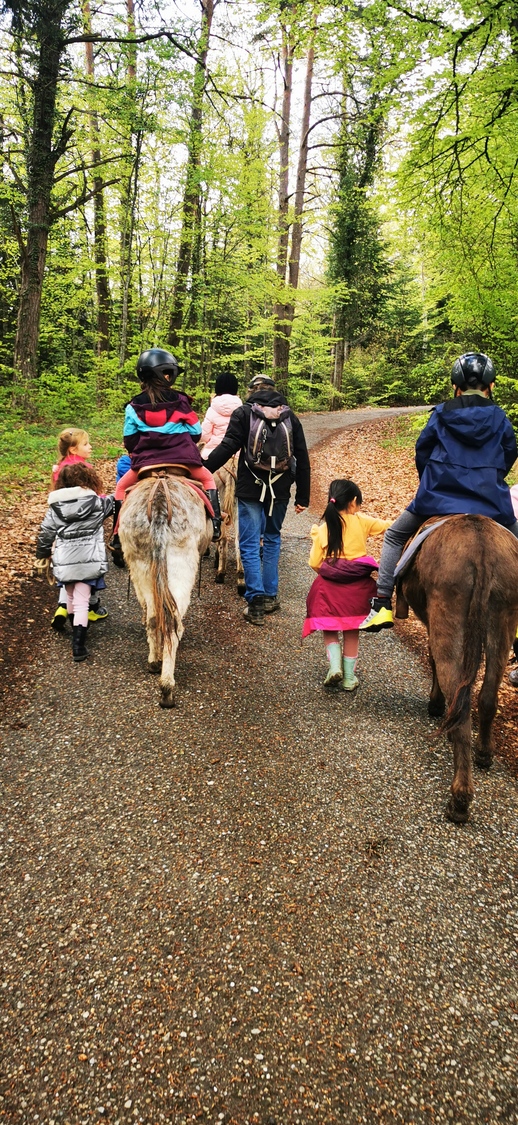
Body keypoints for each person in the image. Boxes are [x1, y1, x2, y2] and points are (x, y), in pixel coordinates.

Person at [359, 352, 518, 633]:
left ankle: (382, 602)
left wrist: (432, 482)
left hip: (438, 498)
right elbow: (509, 455)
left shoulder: (442, 413)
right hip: (491, 501)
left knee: (395, 535)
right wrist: (488, 479)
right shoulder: (500, 418)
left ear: (455, 386)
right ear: (490, 385)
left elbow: (423, 452)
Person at [204, 374, 311, 625]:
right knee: (272, 539)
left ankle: (255, 603)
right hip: (281, 488)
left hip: (251, 487)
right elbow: (302, 457)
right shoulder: (289, 416)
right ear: (274, 391)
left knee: (249, 544)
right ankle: (271, 595)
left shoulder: (244, 413)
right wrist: (303, 496)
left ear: (251, 392)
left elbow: (228, 446)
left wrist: (203, 468)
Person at [109, 348, 222, 564]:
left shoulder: (133, 406)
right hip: (182, 461)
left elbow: (129, 440)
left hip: (146, 464)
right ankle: (215, 525)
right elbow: (196, 432)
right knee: (208, 479)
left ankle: (116, 536)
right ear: (165, 375)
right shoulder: (181, 401)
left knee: (121, 488)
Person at [302, 480, 392, 689]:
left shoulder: (324, 529)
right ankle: (350, 678)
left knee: (329, 626)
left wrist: (329, 572)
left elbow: (314, 562)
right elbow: (389, 527)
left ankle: (335, 667)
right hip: (357, 587)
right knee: (352, 630)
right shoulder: (362, 521)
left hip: (329, 588)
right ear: (353, 502)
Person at [35, 463, 114, 663]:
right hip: (89, 560)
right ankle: (78, 646)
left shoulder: (55, 508)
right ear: (89, 480)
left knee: (71, 598)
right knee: (82, 603)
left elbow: (45, 533)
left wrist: (43, 554)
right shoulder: (96, 503)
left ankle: (75, 634)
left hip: (65, 561)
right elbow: (113, 504)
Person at [50, 428, 108, 630]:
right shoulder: (83, 469)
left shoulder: (59, 469)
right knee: (88, 567)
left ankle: (62, 606)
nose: (90, 446)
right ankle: (90, 609)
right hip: (86, 531)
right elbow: (95, 498)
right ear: (73, 449)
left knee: (67, 569)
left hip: (63, 526)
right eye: (85, 444)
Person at [200, 373, 243, 457]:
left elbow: (204, 436)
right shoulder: (242, 410)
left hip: (212, 454)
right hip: (237, 455)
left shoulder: (212, 409)